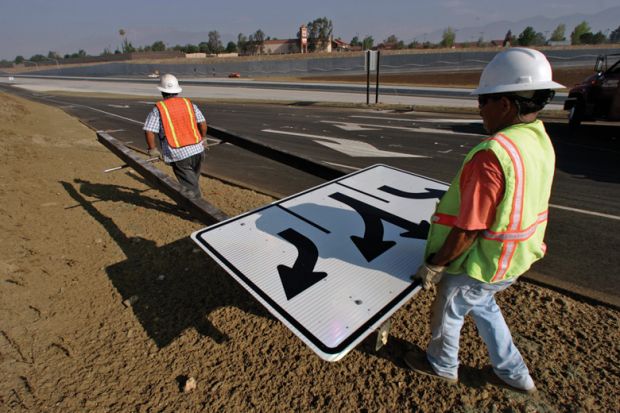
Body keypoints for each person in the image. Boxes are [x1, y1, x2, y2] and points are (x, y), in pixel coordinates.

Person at [405, 48, 565, 393]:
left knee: (449, 305)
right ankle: (514, 374)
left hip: (485, 261)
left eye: (484, 101)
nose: (479, 109)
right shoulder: (538, 138)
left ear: (506, 104)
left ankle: (441, 365)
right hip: (519, 255)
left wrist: (436, 265)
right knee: (483, 304)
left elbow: (470, 226)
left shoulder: (494, 154)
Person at [143, 73, 207, 199]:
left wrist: (152, 149)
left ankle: (198, 210)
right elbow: (202, 123)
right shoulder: (189, 104)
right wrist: (203, 138)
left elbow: (149, 130)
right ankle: (189, 204)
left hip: (179, 154)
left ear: (162, 91)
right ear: (177, 90)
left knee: (191, 188)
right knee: (192, 181)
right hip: (198, 150)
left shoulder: (159, 109)